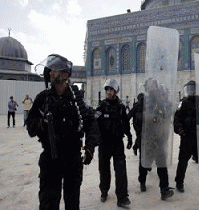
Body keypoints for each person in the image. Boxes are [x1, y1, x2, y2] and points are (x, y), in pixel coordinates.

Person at [26, 54, 100, 210]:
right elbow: (30, 125)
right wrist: (42, 123)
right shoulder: (43, 98)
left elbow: (91, 122)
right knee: (48, 203)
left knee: (72, 202)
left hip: (73, 159)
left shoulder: (76, 99)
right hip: (50, 159)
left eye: (56, 70)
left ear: (66, 75)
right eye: (51, 70)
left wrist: (90, 147)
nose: (51, 72)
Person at [95, 79, 132, 208]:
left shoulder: (121, 108)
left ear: (115, 91)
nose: (108, 92)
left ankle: (122, 197)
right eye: (107, 90)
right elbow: (95, 123)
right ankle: (104, 191)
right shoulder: (101, 106)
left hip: (117, 143)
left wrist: (129, 136)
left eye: (111, 90)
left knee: (121, 170)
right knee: (104, 169)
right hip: (104, 144)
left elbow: (126, 123)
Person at [139, 78, 174, 200]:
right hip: (148, 138)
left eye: (155, 85)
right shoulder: (144, 101)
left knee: (162, 164)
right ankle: (142, 181)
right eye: (151, 86)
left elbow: (167, 114)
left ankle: (164, 189)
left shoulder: (161, 102)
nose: (153, 88)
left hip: (159, 138)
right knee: (145, 162)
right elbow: (139, 118)